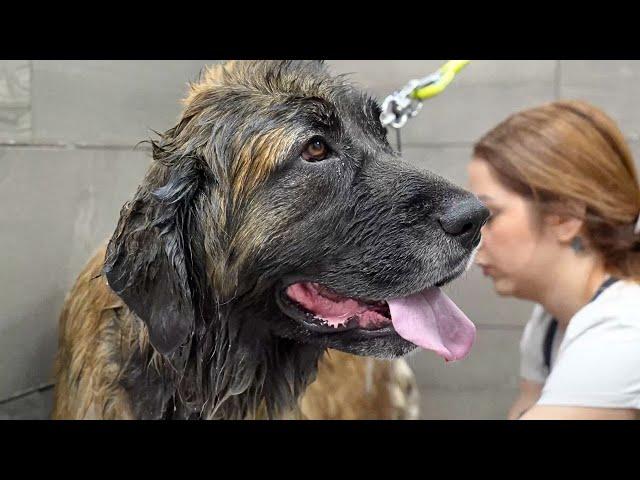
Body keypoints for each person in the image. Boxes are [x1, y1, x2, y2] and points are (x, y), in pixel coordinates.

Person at [468, 100, 640, 419]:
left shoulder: (624, 329)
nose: (474, 241)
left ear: (565, 217)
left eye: (489, 216)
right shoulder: (549, 322)